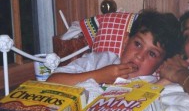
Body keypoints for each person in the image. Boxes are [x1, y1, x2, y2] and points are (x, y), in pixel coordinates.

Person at [47, 9, 181, 86]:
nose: (140, 55)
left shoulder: (151, 83)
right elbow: (51, 82)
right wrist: (98, 76)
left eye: (152, 53)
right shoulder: (99, 60)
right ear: (125, 41)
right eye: (138, 44)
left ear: (159, 66)